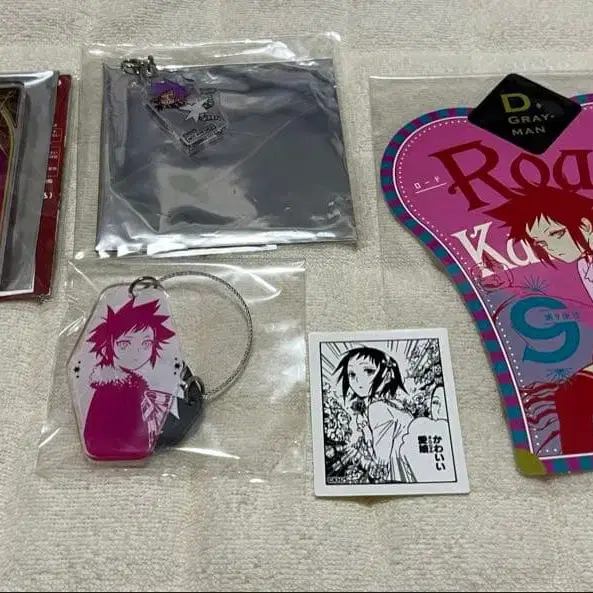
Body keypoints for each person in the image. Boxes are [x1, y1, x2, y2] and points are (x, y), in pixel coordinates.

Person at [83, 297, 176, 461]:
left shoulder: (132, 385)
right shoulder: (113, 388)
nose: (137, 353)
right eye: (125, 344)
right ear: (107, 347)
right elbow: (98, 433)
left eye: (146, 343)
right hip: (117, 449)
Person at [488, 184, 593, 301]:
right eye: (542, 242)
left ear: (585, 225)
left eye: (556, 233)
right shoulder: (584, 265)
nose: (551, 248)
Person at [335, 346, 415, 482]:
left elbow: (381, 460)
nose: (357, 379)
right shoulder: (395, 404)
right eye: (352, 374)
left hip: (399, 477)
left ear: (387, 376)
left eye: (368, 371)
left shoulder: (378, 408)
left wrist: (366, 430)